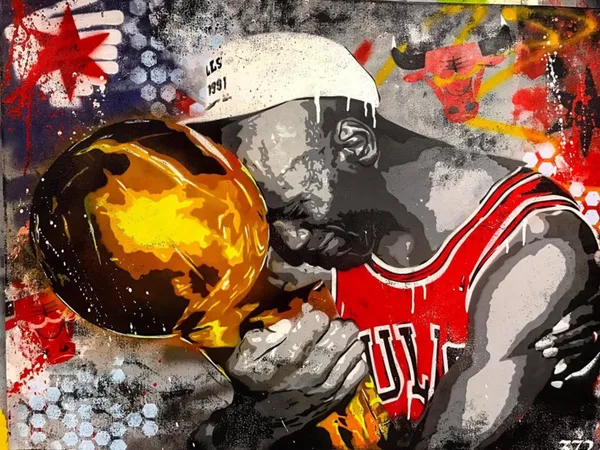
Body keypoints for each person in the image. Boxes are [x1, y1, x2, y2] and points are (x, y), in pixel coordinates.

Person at [184, 32, 600, 449]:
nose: (286, 242)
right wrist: (261, 419)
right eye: (264, 219)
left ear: (355, 145)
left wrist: (271, 421)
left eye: (295, 211)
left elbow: (453, 440)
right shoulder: (325, 247)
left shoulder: (535, 242)